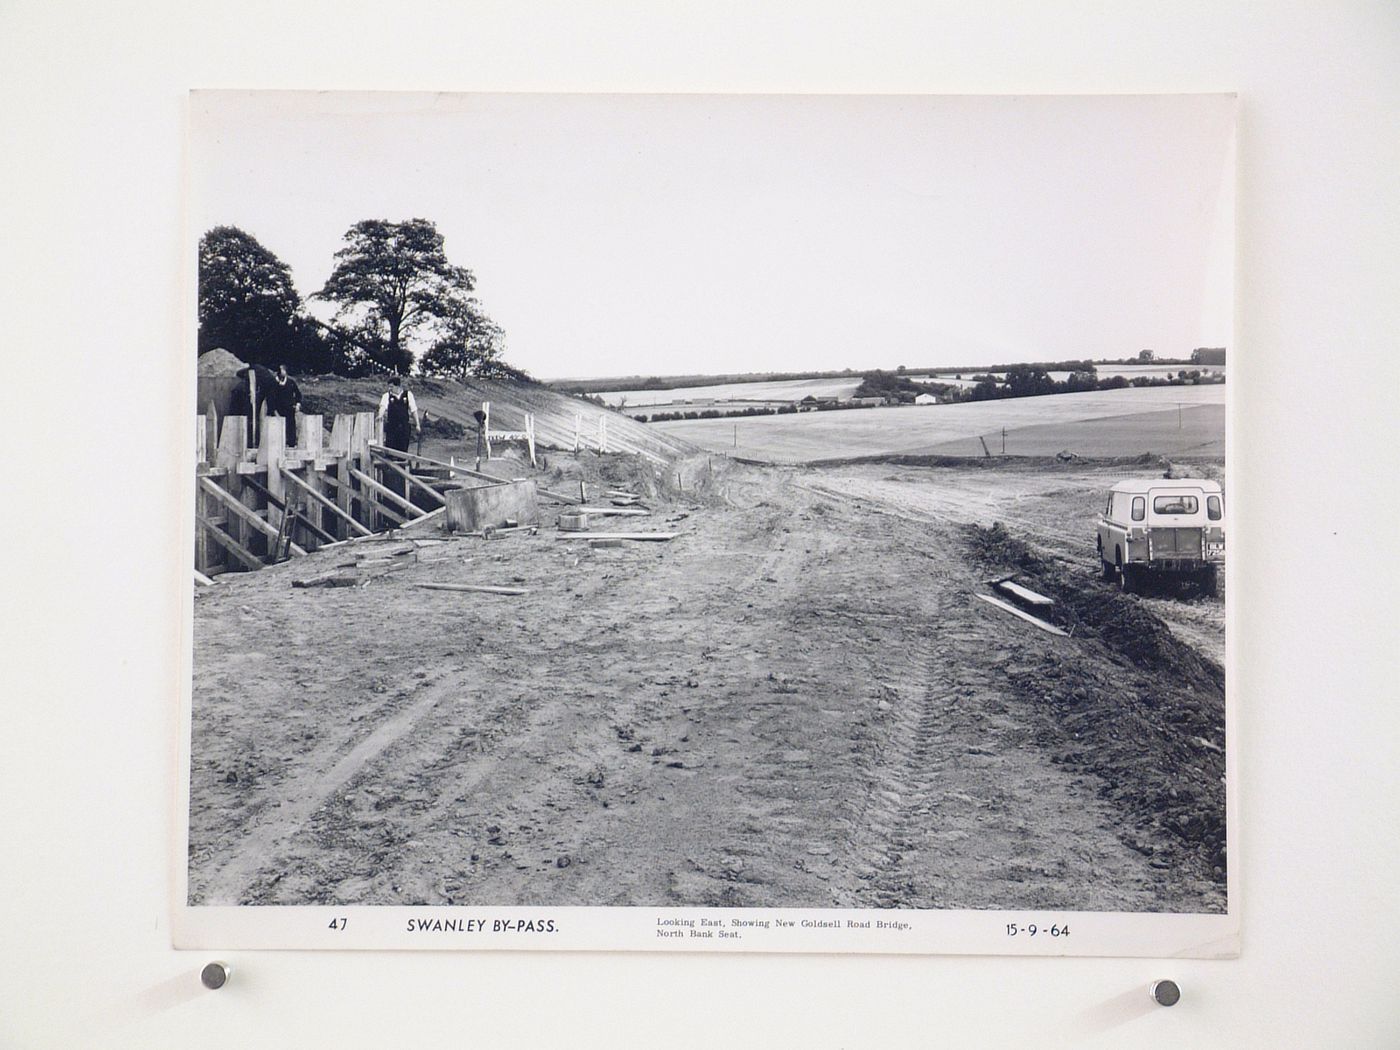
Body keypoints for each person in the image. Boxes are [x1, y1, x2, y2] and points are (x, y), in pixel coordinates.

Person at [377, 374, 421, 453]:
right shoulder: (386, 396)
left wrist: (417, 424)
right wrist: (380, 415)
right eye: (389, 387)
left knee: (403, 450)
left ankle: (402, 461)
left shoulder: (408, 395)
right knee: (390, 450)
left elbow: (414, 410)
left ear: (398, 386)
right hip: (392, 427)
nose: (389, 389)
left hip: (404, 427)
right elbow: (383, 407)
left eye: (391, 387)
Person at [264, 364, 302, 445]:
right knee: (277, 432)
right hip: (277, 411)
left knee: (290, 429)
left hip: (289, 410)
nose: (282, 373)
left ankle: (291, 444)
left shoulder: (291, 382)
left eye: (283, 371)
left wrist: (298, 405)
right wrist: (274, 411)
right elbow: (270, 399)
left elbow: (298, 395)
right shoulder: (273, 383)